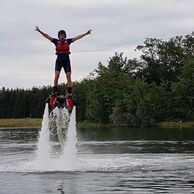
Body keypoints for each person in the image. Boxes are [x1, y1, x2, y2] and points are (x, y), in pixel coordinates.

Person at [35, 26, 92, 97]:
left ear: (65, 36)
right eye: (60, 35)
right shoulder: (56, 41)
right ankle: (54, 91)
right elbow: (47, 36)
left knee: (68, 76)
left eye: (63, 35)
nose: (62, 36)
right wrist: (40, 31)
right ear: (58, 36)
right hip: (59, 61)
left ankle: (69, 92)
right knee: (57, 75)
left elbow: (77, 37)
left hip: (66, 62)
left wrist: (86, 33)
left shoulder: (68, 41)